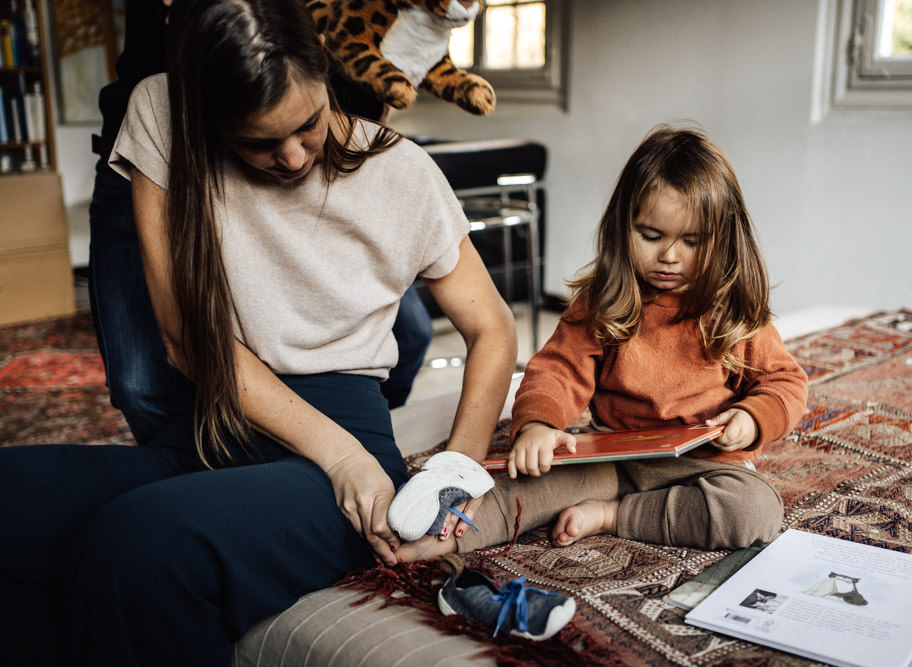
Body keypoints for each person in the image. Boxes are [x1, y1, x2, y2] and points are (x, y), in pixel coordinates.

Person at [0, 0, 516, 665]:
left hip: (339, 450)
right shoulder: (163, 112)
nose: (294, 155)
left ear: (325, 74)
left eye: (307, 124)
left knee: (137, 543)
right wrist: (338, 454)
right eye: (259, 143)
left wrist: (452, 480)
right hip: (210, 426)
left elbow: (493, 328)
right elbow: (187, 337)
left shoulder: (403, 172)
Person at [397, 125, 808, 562]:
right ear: (622, 226)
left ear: (725, 240)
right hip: (613, 458)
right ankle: (443, 539)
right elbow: (557, 369)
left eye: (691, 241)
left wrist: (752, 417)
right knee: (521, 483)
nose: (669, 255)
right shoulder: (604, 300)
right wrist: (538, 424)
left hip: (703, 466)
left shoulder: (733, 308)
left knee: (754, 512)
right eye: (651, 236)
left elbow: (786, 382)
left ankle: (613, 517)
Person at [88, 0, 432, 447]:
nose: (290, 155)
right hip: (165, 146)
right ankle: (188, 469)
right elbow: (185, 338)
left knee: (411, 334)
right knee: (142, 383)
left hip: (332, 147)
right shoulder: (156, 105)